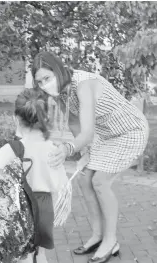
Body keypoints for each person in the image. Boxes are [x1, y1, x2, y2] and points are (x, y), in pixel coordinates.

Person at [31, 51, 149, 263]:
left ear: (58, 70)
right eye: (39, 82)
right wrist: (84, 151)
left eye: (47, 78)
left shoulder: (85, 85)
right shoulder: (61, 91)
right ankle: (97, 236)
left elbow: (87, 133)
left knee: (100, 182)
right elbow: (75, 124)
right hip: (107, 135)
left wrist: (69, 148)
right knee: (85, 180)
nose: (44, 85)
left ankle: (111, 241)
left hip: (131, 131)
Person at [0, 88, 68, 263]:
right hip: (45, 210)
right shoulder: (54, 150)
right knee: (40, 255)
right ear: (44, 118)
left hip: (18, 211)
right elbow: (61, 186)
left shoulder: (10, 150)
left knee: (19, 257)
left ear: (16, 118)